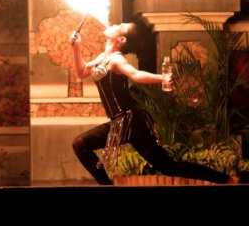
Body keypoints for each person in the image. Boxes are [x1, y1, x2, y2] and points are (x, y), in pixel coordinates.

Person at [70, 22, 229, 185]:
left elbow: (136, 74)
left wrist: (162, 78)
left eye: (120, 26)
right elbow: (82, 72)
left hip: (128, 120)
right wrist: (77, 47)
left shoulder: (117, 60)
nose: (115, 24)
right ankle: (225, 179)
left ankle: (106, 186)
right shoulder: (102, 58)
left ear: (121, 39)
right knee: (167, 166)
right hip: (129, 122)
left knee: (80, 143)